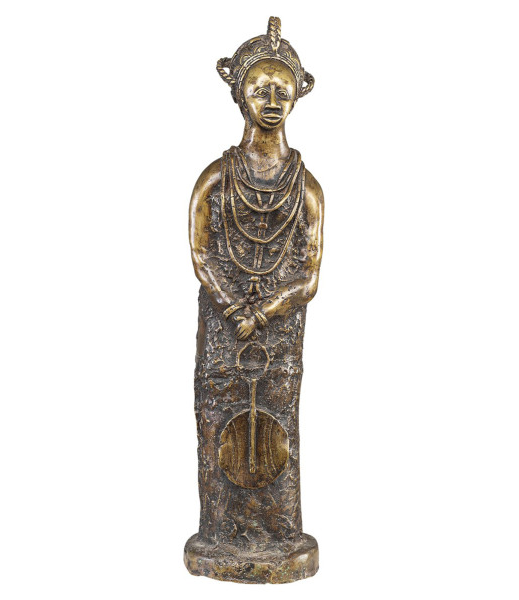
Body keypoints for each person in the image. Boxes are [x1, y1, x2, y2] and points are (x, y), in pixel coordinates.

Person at [185, 17, 324, 583]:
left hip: (278, 331)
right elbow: (201, 253)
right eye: (260, 90)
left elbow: (308, 276)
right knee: (218, 419)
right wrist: (230, 307)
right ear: (239, 92)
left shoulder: (306, 189)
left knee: (278, 424)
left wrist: (264, 311)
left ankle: (279, 532)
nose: (271, 102)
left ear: (298, 95)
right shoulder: (215, 180)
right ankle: (219, 531)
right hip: (224, 330)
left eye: (281, 92)